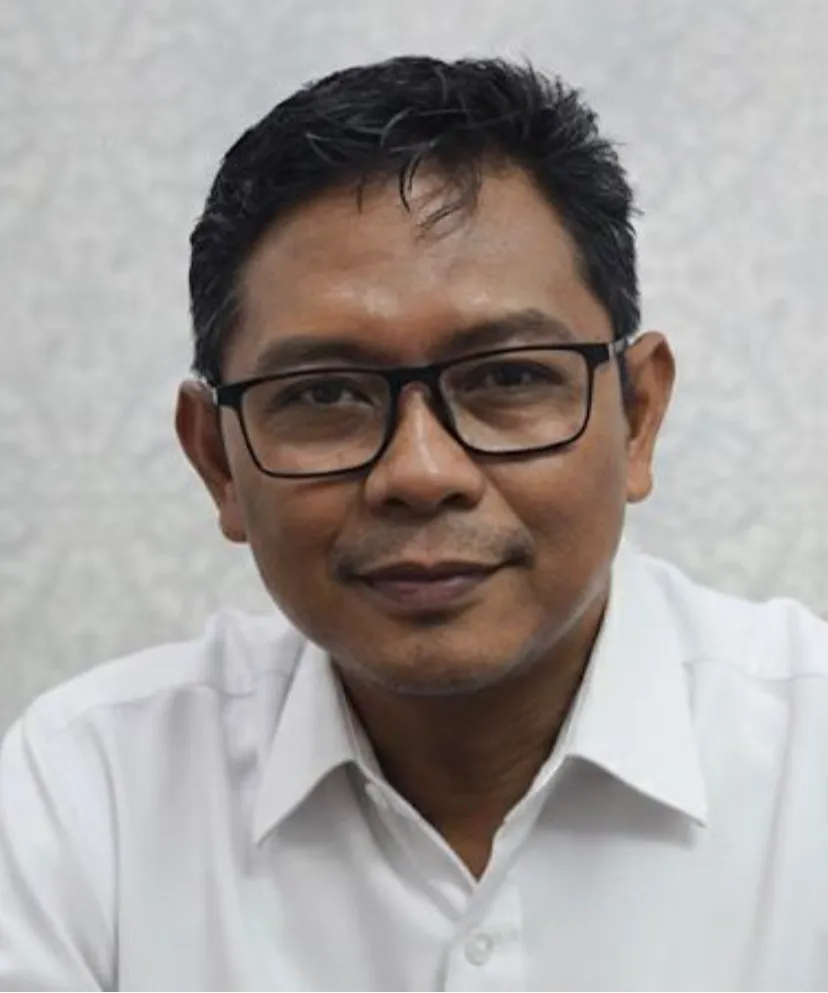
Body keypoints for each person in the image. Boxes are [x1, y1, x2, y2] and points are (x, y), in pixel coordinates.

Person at [1, 54, 826, 993]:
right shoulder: (87, 796)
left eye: (508, 376)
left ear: (638, 416)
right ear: (218, 461)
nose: (420, 473)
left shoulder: (808, 764)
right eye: (324, 394)